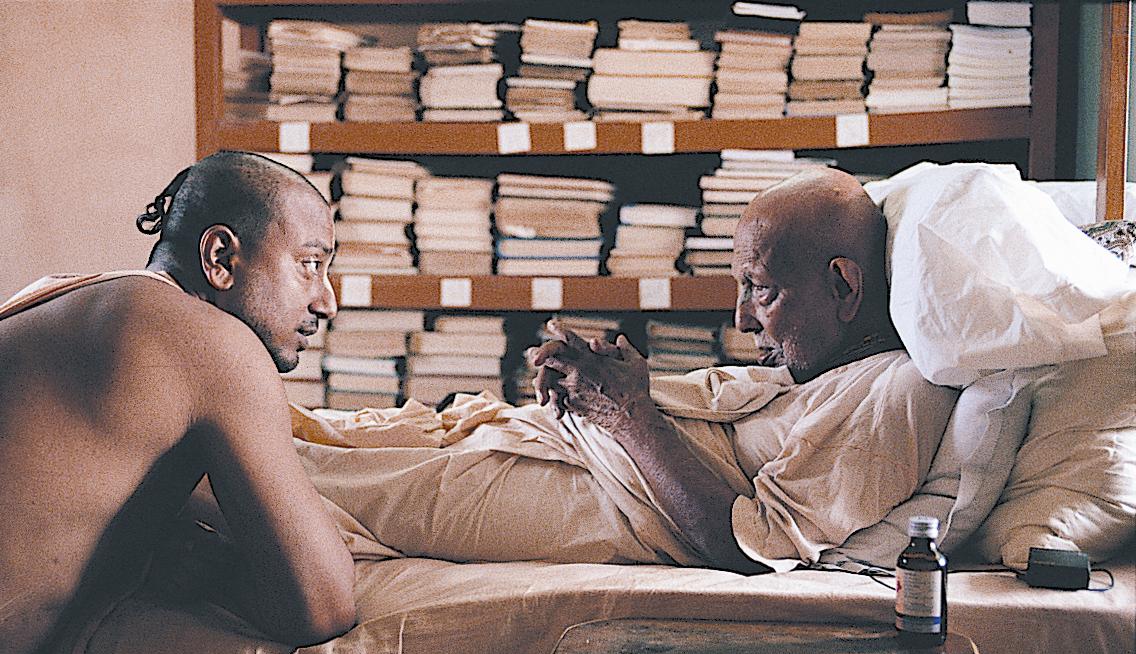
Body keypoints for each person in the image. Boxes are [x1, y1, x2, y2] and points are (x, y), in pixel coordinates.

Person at [285, 167, 958, 579]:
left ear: (843, 286)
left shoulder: (895, 390)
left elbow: (752, 546)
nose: (746, 323)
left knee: (301, 477)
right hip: (559, 441)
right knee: (317, 428)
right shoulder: (820, 367)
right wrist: (591, 383)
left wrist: (628, 416)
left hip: (590, 494)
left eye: (761, 291)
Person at [0, 152, 356, 654]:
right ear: (220, 257)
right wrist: (215, 573)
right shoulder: (215, 345)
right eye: (309, 264)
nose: (327, 301)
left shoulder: (55, 294)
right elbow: (323, 606)